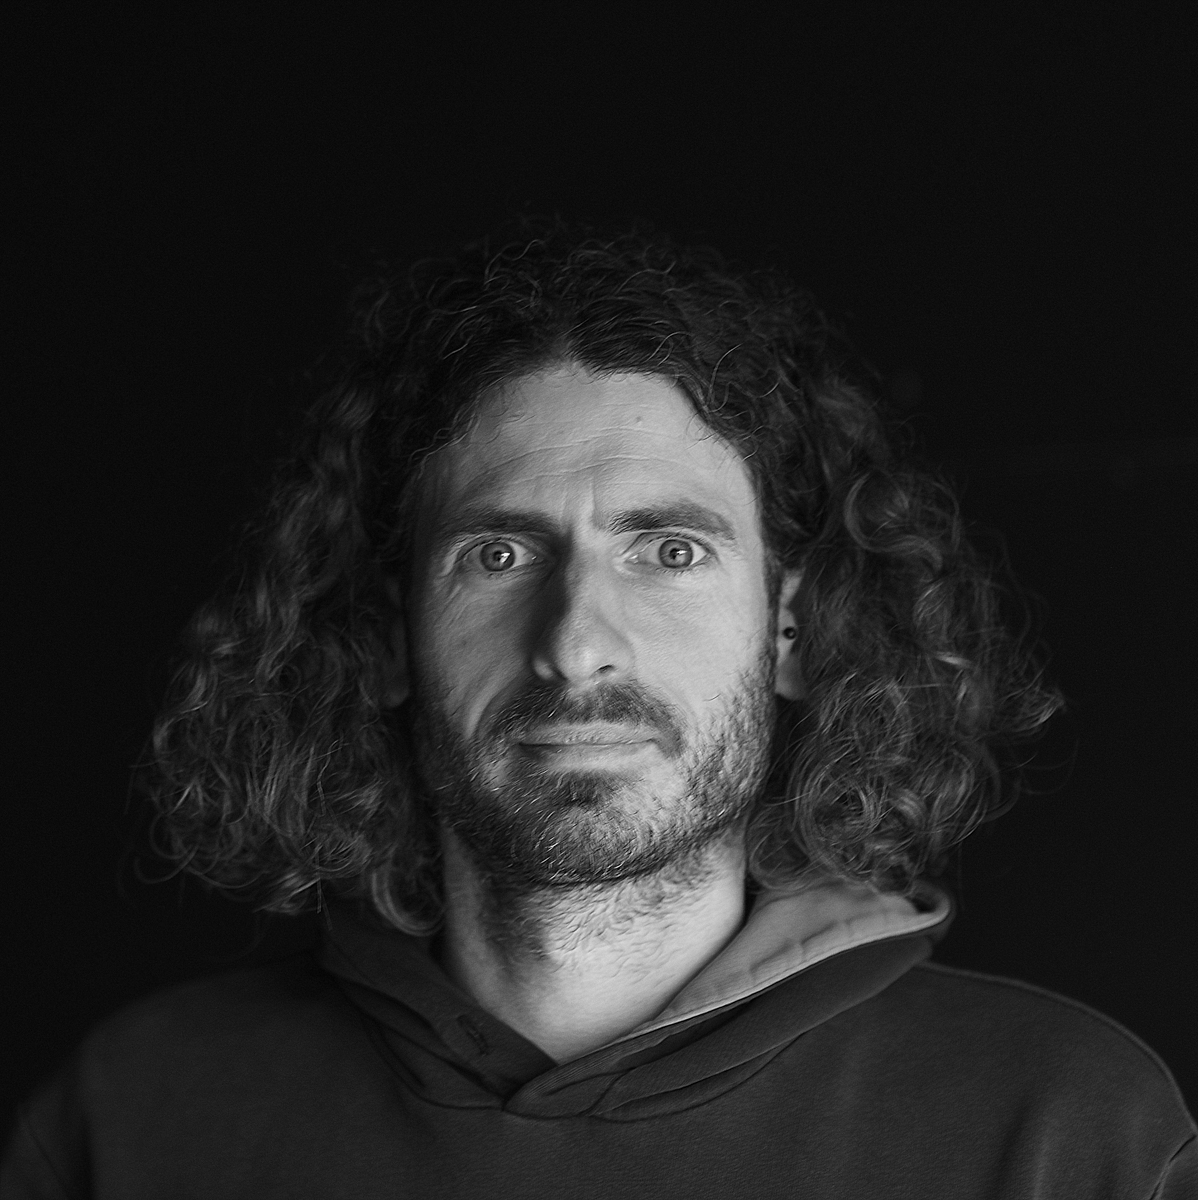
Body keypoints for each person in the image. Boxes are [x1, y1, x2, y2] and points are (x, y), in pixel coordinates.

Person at [3, 223, 1194, 1199]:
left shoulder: (1068, 1131)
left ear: (787, 629)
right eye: (499, 555)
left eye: (668, 551)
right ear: (387, 636)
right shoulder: (135, 1121)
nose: (575, 644)